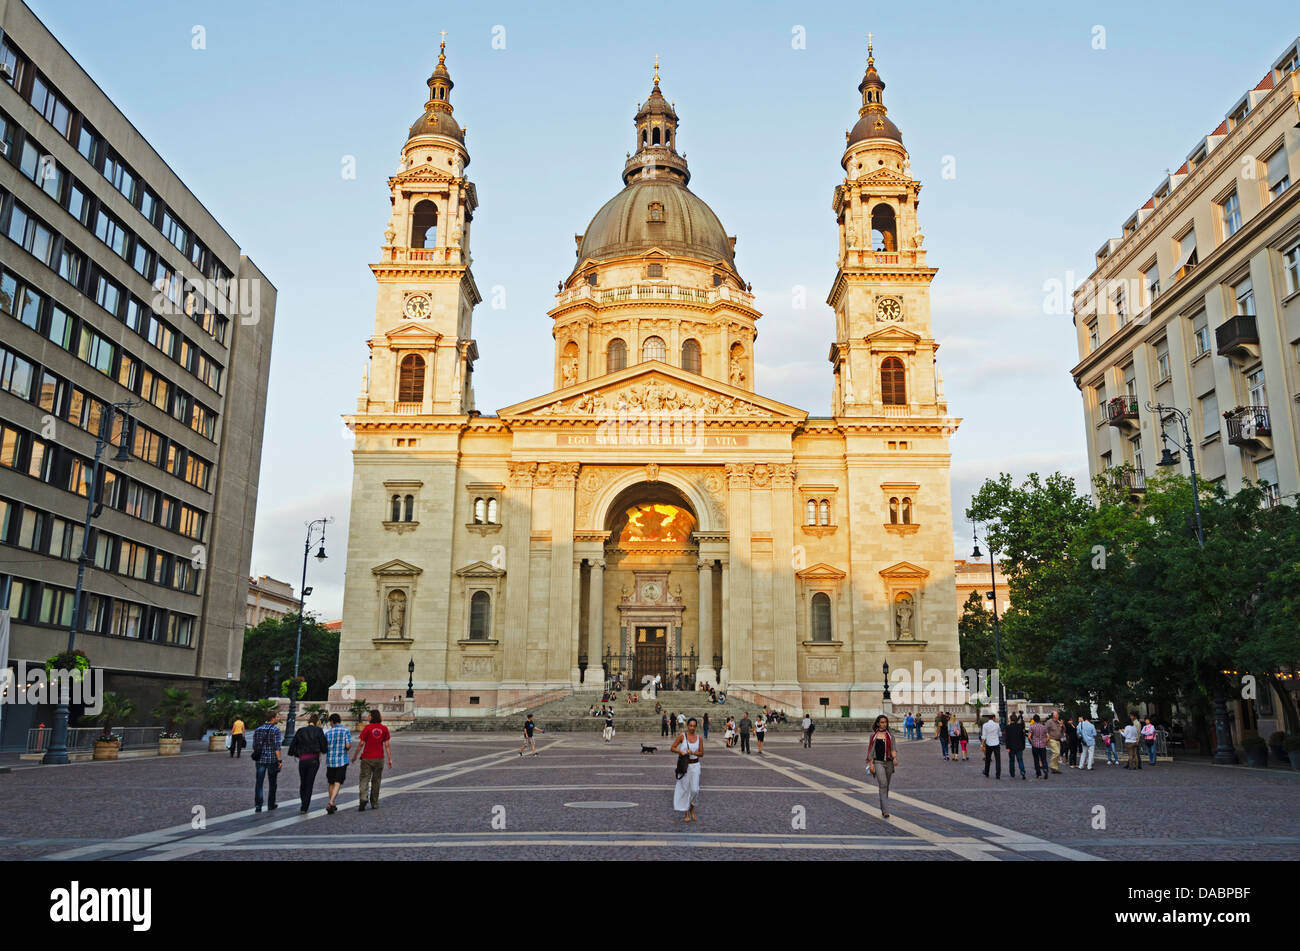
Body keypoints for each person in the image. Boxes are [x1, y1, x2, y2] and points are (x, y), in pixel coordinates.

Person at [287, 713, 329, 814]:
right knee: (309, 783)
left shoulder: (301, 730)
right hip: (314, 759)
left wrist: (299, 754)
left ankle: (303, 803)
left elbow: (292, 748)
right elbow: (324, 748)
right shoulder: (318, 731)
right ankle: (305, 806)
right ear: (317, 722)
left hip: (303, 759)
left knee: (303, 782)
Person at [351, 709, 392, 811]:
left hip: (367, 758)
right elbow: (387, 745)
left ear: (372, 717)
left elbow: (361, 744)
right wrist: (390, 759)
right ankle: (374, 802)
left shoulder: (368, 728)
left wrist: (355, 755)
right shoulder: (384, 729)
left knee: (364, 779)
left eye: (369, 715)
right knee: (376, 781)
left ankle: (363, 798)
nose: (367, 717)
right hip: (379, 758)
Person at [671, 717, 704, 822]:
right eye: (690, 725)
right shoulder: (682, 736)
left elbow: (701, 753)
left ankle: (691, 808)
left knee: (695, 790)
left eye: (694, 726)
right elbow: (673, 747)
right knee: (685, 789)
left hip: (695, 766)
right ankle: (686, 814)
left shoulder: (699, 738)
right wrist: (681, 752)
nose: (692, 728)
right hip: (685, 766)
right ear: (687, 726)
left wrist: (693, 753)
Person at [866, 715, 899, 818]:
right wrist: (871, 764)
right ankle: (885, 810)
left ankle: (883, 806)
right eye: (882, 722)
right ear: (878, 723)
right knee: (883, 784)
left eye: (885, 722)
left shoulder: (890, 736)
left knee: (886, 786)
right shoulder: (873, 736)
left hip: (889, 763)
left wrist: (894, 758)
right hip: (878, 762)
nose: (884, 724)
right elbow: (871, 751)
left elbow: (893, 748)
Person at [250, 710, 283, 812]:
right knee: (272, 783)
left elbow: (254, 746)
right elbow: (277, 747)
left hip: (260, 759)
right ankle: (271, 804)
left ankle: (258, 805)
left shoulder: (258, 729)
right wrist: (279, 760)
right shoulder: (276, 730)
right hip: (272, 760)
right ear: (272, 718)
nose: (278, 718)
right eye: (277, 717)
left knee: (259, 783)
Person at [324, 713, 351, 814]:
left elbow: (325, 747)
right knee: (338, 781)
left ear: (331, 722)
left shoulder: (328, 733)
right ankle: (331, 802)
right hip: (341, 760)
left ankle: (332, 803)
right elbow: (348, 746)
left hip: (330, 761)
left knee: (331, 782)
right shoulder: (345, 731)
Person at [1005, 712, 1027, 780]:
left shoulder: (1008, 727)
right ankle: (1022, 771)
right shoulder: (1020, 726)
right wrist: (1023, 745)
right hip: (1019, 746)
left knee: (1011, 761)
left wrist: (1007, 747)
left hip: (1011, 747)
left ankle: (1012, 773)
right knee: (1020, 760)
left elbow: (1007, 738)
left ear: (1010, 719)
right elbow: (1023, 737)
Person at [980, 713, 1002, 779]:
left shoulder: (985, 725)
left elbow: (984, 736)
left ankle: (986, 772)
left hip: (989, 743)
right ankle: (998, 774)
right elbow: (999, 734)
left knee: (988, 759)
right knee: (998, 760)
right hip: (996, 743)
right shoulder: (997, 725)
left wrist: (982, 744)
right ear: (993, 718)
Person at [1028, 714, 1050, 780]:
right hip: (1042, 745)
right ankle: (1045, 769)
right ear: (1039, 719)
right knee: (1043, 759)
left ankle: (1038, 773)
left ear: (1034, 720)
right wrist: (1046, 742)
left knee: (1036, 759)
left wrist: (1031, 742)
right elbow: (1048, 737)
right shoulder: (1044, 727)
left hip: (1035, 745)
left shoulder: (1032, 727)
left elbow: (1029, 737)